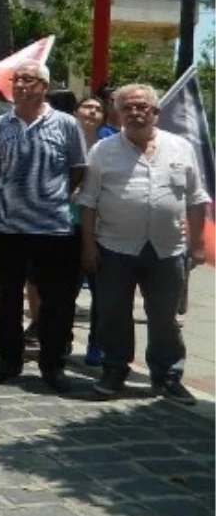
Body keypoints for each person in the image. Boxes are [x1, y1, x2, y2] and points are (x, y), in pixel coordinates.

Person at [78, 84, 209, 404]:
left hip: (168, 248)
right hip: (115, 247)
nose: (136, 112)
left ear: (156, 113)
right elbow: (88, 202)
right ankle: (114, 370)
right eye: (128, 108)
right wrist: (88, 246)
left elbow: (196, 198)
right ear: (118, 113)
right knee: (113, 312)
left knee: (164, 316)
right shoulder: (103, 151)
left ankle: (167, 376)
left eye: (142, 107)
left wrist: (197, 244)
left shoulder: (181, 147)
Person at [0, 61, 88, 392]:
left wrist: (50, 196)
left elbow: (77, 169)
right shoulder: (0, 126)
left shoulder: (67, 124)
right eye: (17, 79)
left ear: (44, 86)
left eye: (28, 79)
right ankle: (9, 359)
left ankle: (52, 365)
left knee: (55, 300)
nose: (21, 84)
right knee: (8, 297)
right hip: (7, 226)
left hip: (52, 227)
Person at [74, 95, 106, 365]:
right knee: (64, 290)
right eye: (87, 107)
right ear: (76, 112)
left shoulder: (109, 146)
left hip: (100, 229)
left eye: (98, 109)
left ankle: (97, 345)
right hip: (66, 225)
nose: (93, 112)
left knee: (102, 293)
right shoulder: (64, 140)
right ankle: (60, 341)